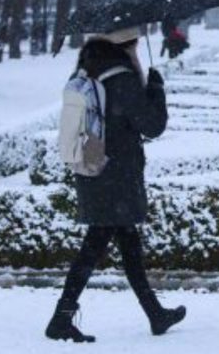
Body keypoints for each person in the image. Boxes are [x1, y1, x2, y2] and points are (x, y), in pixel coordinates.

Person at [45, 26, 186, 343]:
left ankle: (155, 314)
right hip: (115, 175)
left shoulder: (91, 66)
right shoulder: (121, 77)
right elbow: (152, 125)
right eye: (135, 44)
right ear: (128, 45)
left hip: (95, 167)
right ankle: (61, 317)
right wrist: (156, 89)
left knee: (128, 245)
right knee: (95, 245)